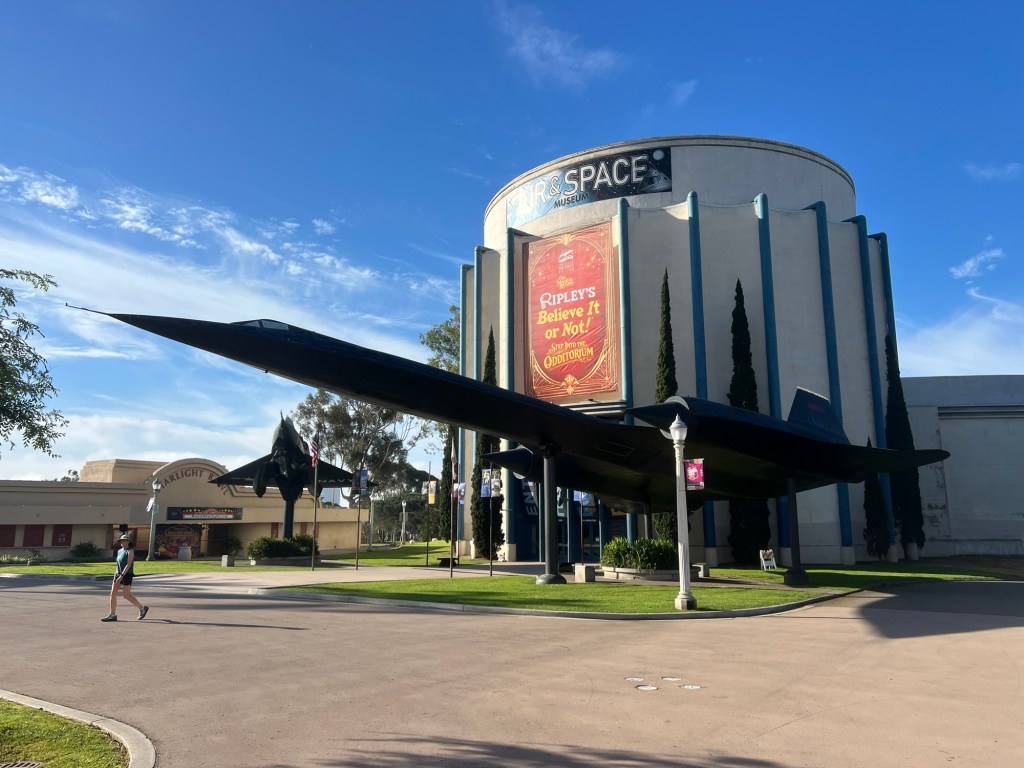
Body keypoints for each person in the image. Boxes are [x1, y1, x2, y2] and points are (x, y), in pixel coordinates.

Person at [101, 534, 150, 622]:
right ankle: (112, 615)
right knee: (113, 593)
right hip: (118, 574)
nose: (122, 542)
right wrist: (116, 574)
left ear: (128, 542)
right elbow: (118, 564)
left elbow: (128, 564)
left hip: (127, 575)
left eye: (124, 540)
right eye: (121, 540)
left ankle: (142, 608)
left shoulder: (130, 550)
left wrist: (122, 575)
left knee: (126, 595)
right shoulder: (119, 551)